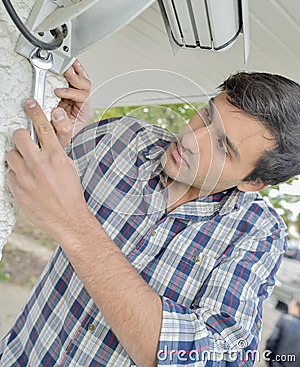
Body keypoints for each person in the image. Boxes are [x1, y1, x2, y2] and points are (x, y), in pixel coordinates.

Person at [1, 62, 300, 366]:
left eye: (222, 146)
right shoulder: (124, 136)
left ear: (253, 182)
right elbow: (31, 182)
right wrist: (61, 132)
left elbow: (217, 359)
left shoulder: (259, 234)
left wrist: (76, 227)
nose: (189, 139)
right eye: (207, 115)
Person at [265, 298, 300, 367]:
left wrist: (269, 360)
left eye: (292, 305)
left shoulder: (285, 320)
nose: (289, 307)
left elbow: (271, 341)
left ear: (297, 308)